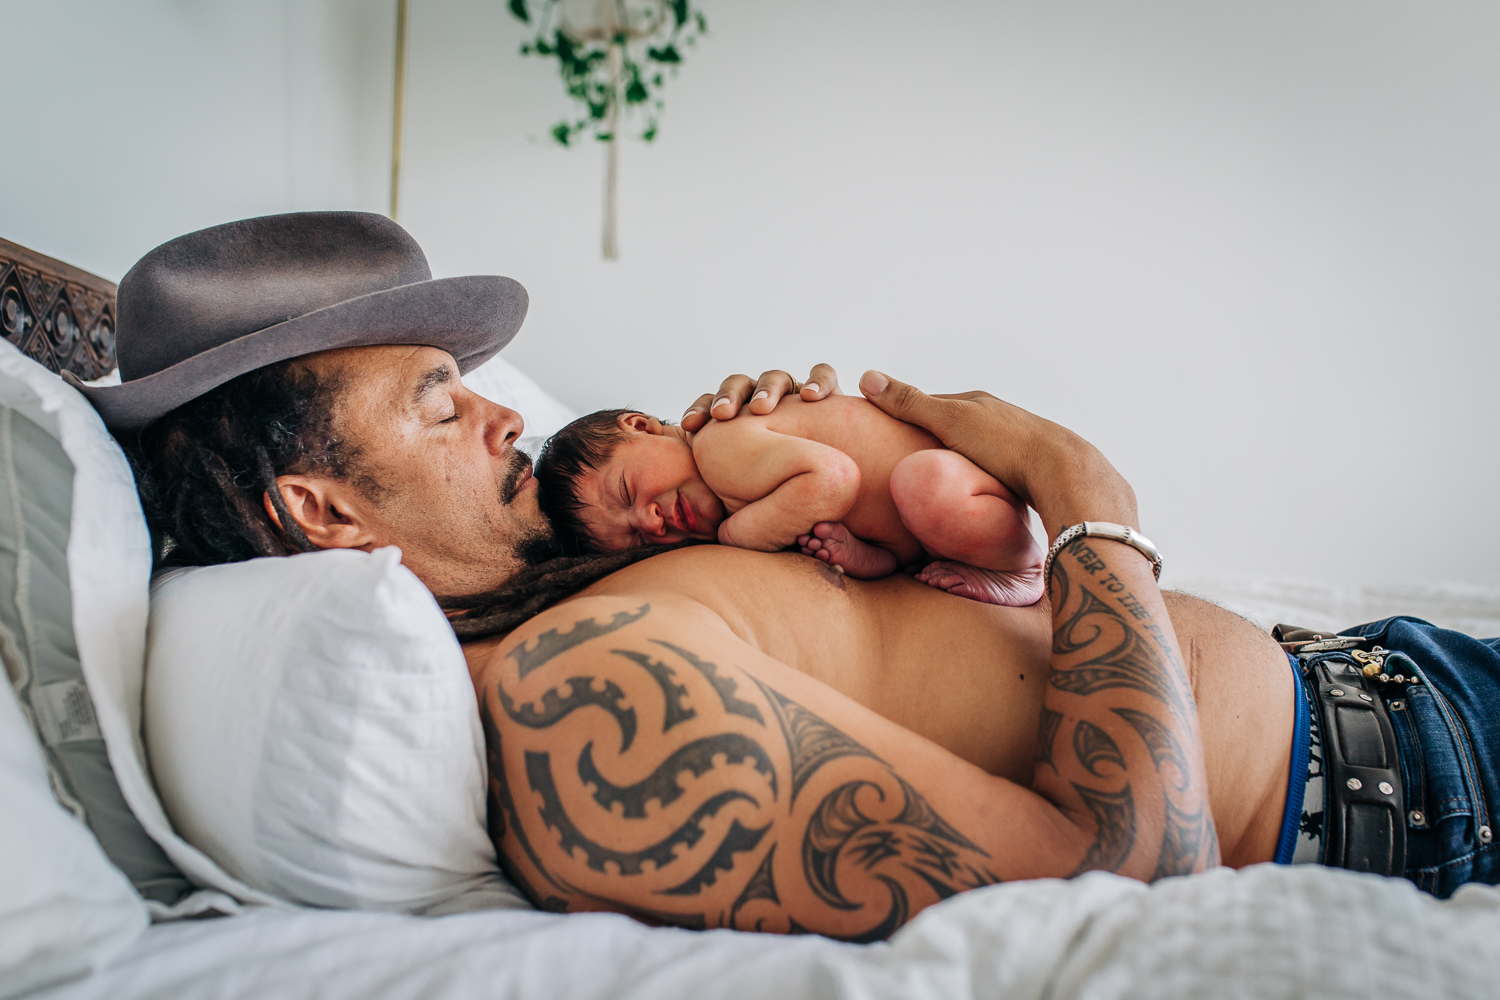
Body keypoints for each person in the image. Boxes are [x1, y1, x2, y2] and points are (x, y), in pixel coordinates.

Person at [87, 212, 1500, 941]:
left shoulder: (588, 577)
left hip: (1380, 678)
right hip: (1406, 789)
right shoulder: (587, 701)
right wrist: (1089, 510)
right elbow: (1131, 881)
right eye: (438, 403)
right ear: (320, 510)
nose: (506, 416)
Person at [533, 396, 1045, 606]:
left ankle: (1022, 569)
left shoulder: (718, 443)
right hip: (916, 534)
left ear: (641, 427)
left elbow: (835, 478)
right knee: (855, 540)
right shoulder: (744, 498)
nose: (651, 520)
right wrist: (861, 556)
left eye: (626, 491)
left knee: (924, 481)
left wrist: (737, 537)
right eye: (638, 538)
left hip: (959, 485)